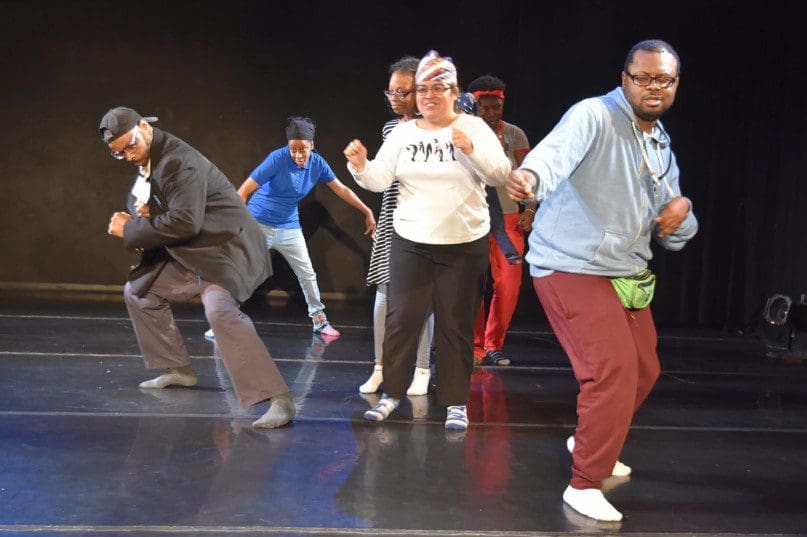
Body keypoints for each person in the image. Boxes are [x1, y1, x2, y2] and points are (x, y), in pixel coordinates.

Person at [507, 40, 697, 521]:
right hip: (569, 264)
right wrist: (530, 178)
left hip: (624, 270)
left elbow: (673, 222)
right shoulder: (593, 115)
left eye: (665, 80)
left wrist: (684, 212)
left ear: (676, 84)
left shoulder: (660, 144)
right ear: (625, 77)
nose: (654, 88)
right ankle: (585, 482)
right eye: (644, 78)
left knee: (645, 369)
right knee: (611, 369)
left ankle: (589, 438)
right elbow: (553, 155)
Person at [344, 50, 511, 430]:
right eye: (422, 89)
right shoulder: (403, 133)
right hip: (412, 241)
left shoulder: (473, 129)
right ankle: (391, 394)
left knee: (455, 324)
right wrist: (360, 167)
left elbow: (501, 174)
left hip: (463, 244)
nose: (428, 96)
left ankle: (455, 403)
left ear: (454, 91)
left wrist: (470, 151)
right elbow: (379, 180)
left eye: (438, 88)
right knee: (402, 321)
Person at [101, 106, 294, 429]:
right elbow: (170, 210)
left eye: (130, 146)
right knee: (139, 291)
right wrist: (144, 216)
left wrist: (130, 229)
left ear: (144, 128)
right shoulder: (150, 158)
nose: (129, 156)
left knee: (218, 309)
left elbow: (186, 222)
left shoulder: (178, 161)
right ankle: (177, 369)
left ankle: (278, 399)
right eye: (119, 153)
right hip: (195, 251)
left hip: (227, 249)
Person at [206, 117, 376, 341]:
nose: (297, 154)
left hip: (289, 225)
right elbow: (244, 190)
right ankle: (220, 322)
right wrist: (239, 223)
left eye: (303, 149)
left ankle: (319, 320)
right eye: (293, 149)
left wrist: (367, 211)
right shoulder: (277, 159)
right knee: (242, 270)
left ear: (312, 146)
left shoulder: (317, 164)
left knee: (306, 272)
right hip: (259, 222)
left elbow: (341, 189)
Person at [360, 56, 435, 397]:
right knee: (384, 295)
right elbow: (383, 176)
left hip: (425, 220)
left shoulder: (437, 128)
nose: (394, 98)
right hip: (392, 218)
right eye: (390, 91)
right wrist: (361, 165)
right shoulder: (391, 129)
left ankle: (421, 369)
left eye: (401, 91)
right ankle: (381, 367)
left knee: (422, 300)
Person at [467, 75, 533, 366]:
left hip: (508, 220)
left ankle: (495, 343)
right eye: (485, 107)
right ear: (475, 105)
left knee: (507, 285)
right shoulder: (464, 133)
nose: (491, 113)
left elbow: (530, 172)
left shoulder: (515, 135)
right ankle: (474, 345)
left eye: (496, 107)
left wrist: (530, 209)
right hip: (473, 219)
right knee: (471, 284)